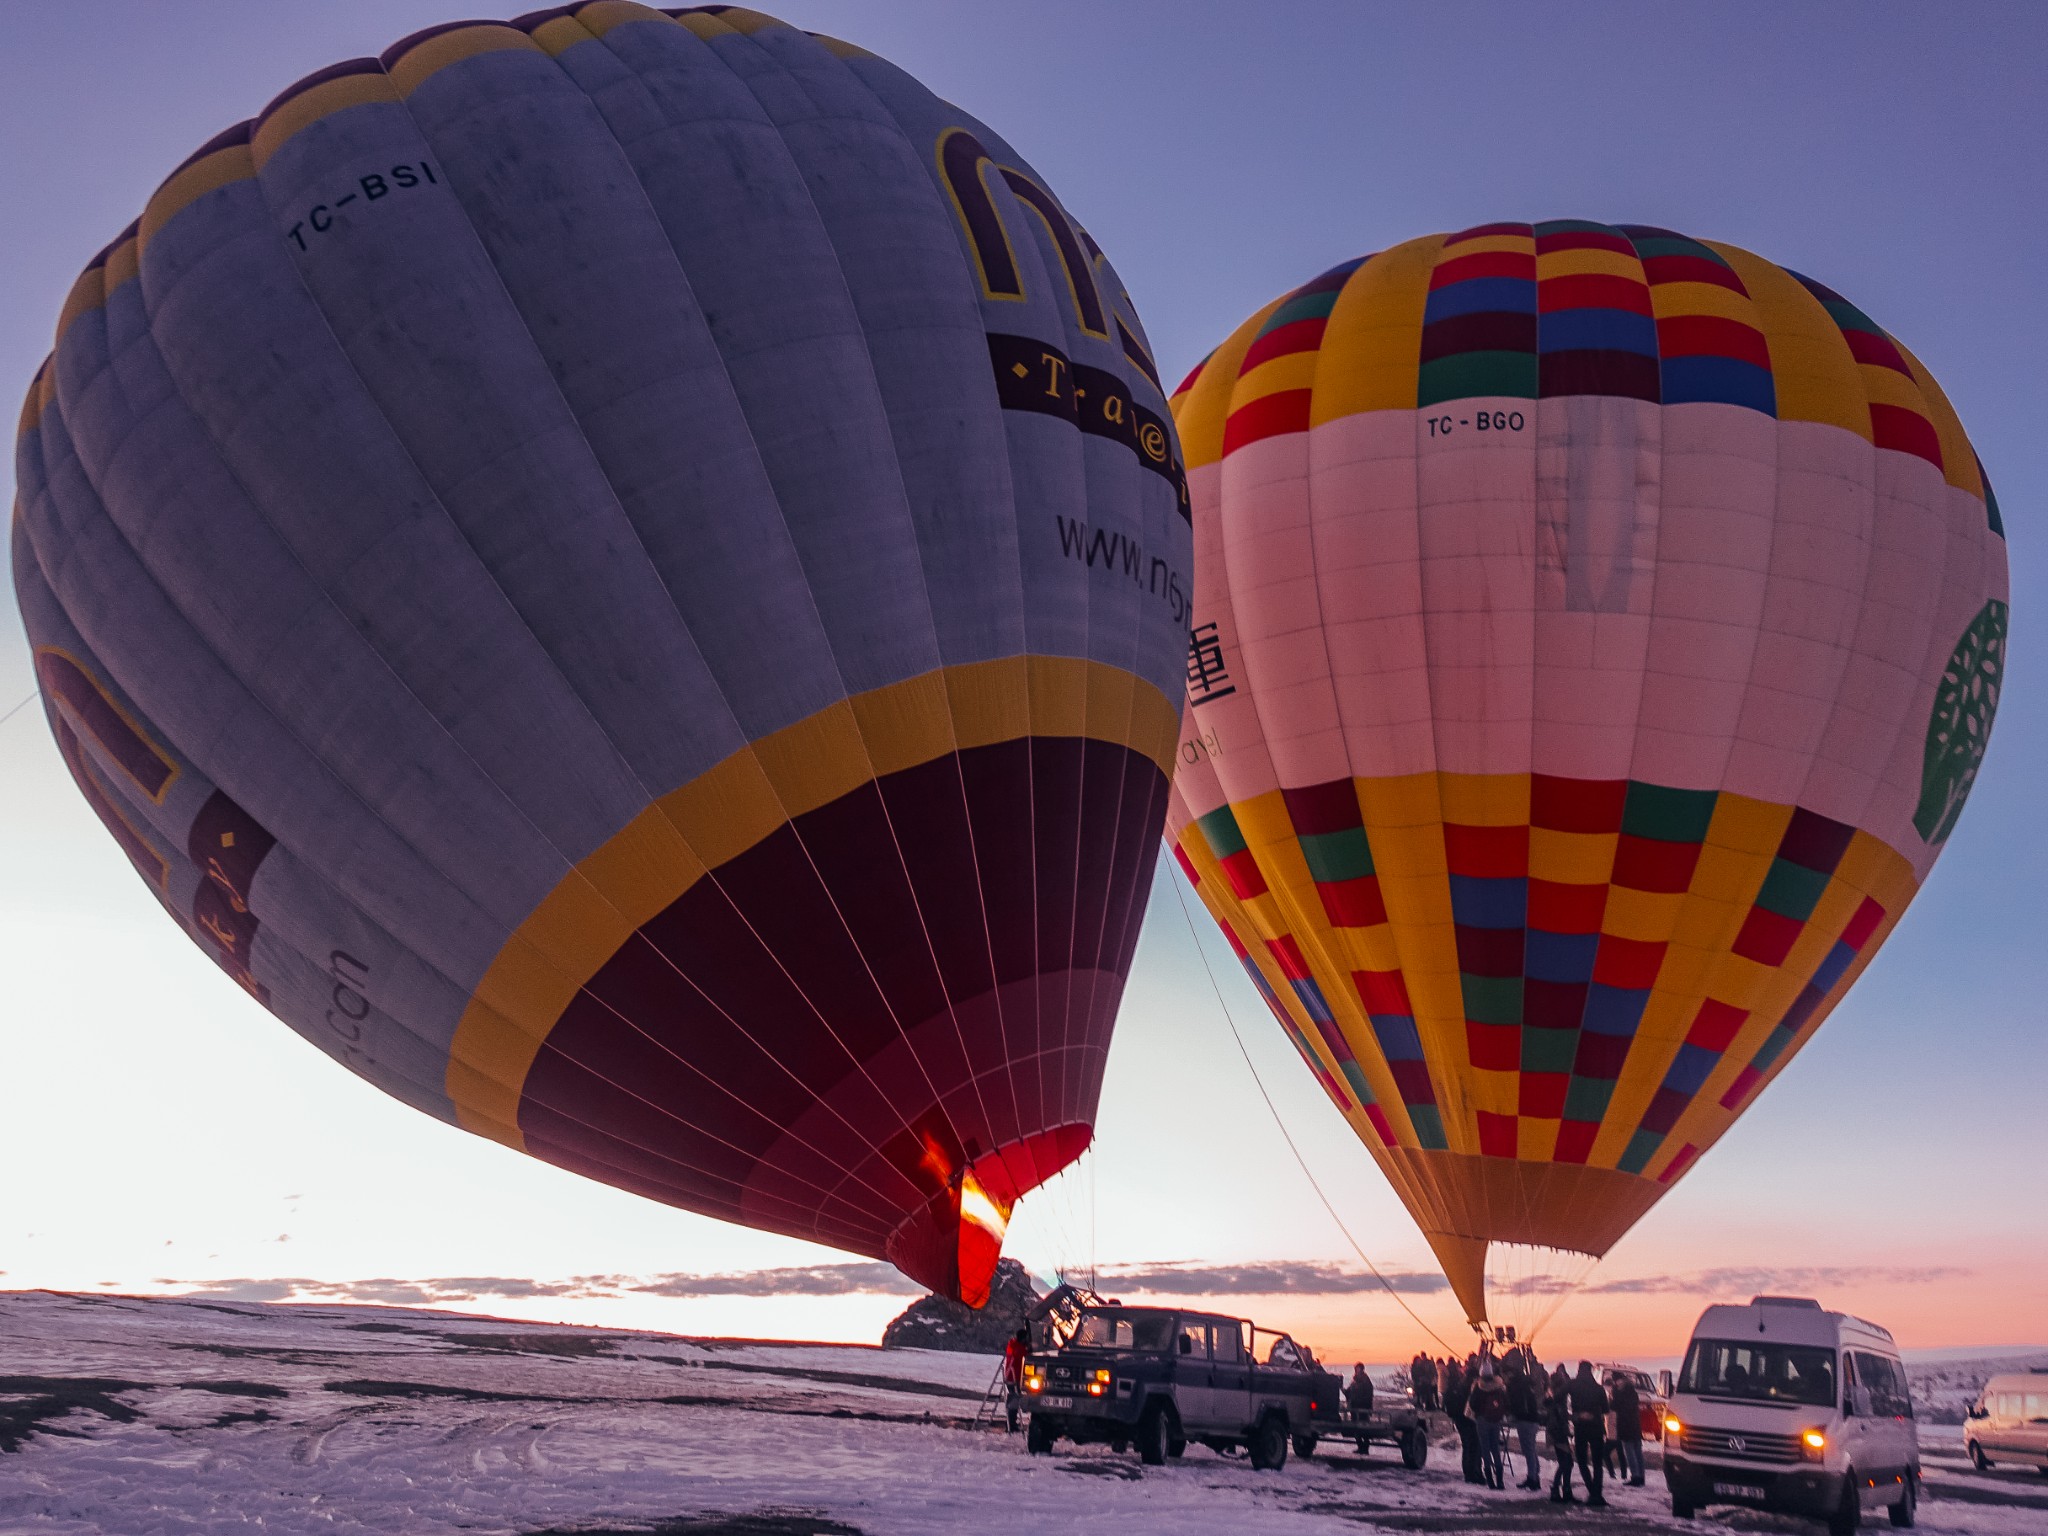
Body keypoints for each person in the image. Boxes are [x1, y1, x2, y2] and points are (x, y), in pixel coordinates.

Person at [1571, 1360, 1610, 1509]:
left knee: (1582, 1461)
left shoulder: (1573, 1385)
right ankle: (1597, 1494)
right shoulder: (1599, 1389)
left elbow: (1558, 1396)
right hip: (1596, 1427)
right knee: (1597, 1463)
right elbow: (1606, 1410)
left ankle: (1592, 1490)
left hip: (1580, 1427)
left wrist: (1576, 1414)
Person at [1470, 1357, 1508, 1490]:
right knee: (1495, 1449)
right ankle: (1500, 1481)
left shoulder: (1479, 1387)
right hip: (1496, 1420)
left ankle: (1490, 1481)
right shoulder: (1498, 1386)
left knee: (1485, 1450)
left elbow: (1472, 1404)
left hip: (1482, 1420)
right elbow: (1505, 1402)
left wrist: (1479, 1412)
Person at [1507, 1352, 1543, 1491]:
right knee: (1531, 1449)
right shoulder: (1527, 1382)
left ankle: (1532, 1479)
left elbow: (1516, 1404)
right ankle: (1534, 1475)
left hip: (1524, 1420)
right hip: (1533, 1419)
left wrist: (1512, 1414)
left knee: (1528, 1450)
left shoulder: (1515, 1385)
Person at [1443, 1356, 1480, 1484]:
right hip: (1468, 1420)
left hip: (1459, 1419)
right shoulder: (1471, 1387)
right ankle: (1473, 1474)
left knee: (1467, 1446)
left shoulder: (1460, 1384)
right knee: (1474, 1446)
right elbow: (1473, 1405)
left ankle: (1468, 1473)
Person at [1545, 1363, 1575, 1503]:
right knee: (1566, 1463)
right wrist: (1566, 1433)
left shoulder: (1553, 1400)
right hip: (1558, 1434)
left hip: (1556, 1434)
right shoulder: (1558, 1402)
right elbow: (1557, 1420)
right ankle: (1558, 1489)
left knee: (1566, 1463)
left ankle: (1561, 1490)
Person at [1611, 1371, 1645, 1486]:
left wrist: (1613, 1394)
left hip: (1626, 1426)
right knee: (1638, 1451)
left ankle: (1635, 1476)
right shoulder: (1632, 1391)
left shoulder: (1620, 1392)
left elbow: (1614, 1406)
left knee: (1630, 1452)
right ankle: (1641, 1476)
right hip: (1635, 1425)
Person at [1001, 1326, 1029, 1433]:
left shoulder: (1012, 1345)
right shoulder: (1018, 1348)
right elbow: (1024, 1356)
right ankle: (1011, 1424)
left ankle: (1011, 1423)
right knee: (1014, 1399)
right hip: (1014, 1378)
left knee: (1014, 1399)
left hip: (1011, 1377)